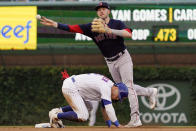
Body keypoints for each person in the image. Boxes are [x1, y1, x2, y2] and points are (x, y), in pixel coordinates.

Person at [39, 2, 158, 127]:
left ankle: (135, 118)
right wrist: (55, 24)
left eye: (104, 9)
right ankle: (149, 92)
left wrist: (108, 30)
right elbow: (71, 28)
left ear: (109, 11)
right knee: (122, 88)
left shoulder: (116, 23)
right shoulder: (92, 27)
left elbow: (128, 33)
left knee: (128, 86)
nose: (101, 11)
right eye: (99, 9)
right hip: (110, 61)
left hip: (123, 58)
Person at [49, 72, 129, 128]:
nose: (117, 98)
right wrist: (117, 124)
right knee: (83, 116)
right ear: (117, 87)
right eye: (119, 96)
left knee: (89, 107)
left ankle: (58, 111)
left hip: (73, 85)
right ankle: (55, 116)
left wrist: (109, 124)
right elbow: (109, 109)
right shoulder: (106, 87)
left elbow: (104, 107)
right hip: (71, 87)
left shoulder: (108, 85)